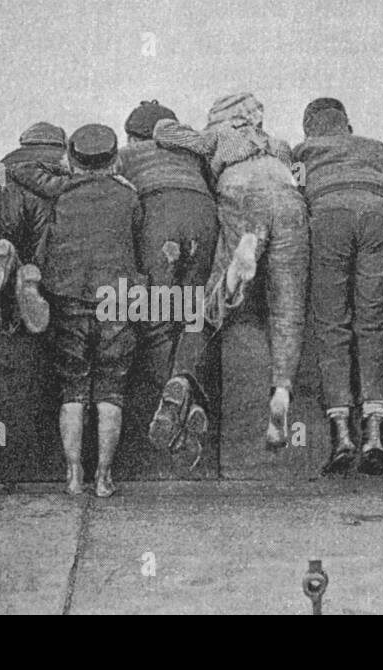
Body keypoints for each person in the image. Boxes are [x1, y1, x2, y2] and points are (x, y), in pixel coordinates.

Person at [153, 92, 310, 450]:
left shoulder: (220, 134)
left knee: (213, 297)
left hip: (240, 189)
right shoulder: (280, 146)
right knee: (288, 306)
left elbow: (165, 132)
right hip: (288, 196)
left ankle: (236, 272)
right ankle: (281, 391)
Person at [6, 124, 143, 497]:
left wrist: (64, 173)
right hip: (117, 300)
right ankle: (104, 477)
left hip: (68, 298)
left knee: (73, 390)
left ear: (72, 158)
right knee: (111, 390)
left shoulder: (61, 190)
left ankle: (72, 475)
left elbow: (19, 169)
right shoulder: (129, 197)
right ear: (114, 159)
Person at [294, 98, 383, 475]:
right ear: (347, 125)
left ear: (310, 126)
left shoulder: (302, 151)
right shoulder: (376, 147)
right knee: (372, 326)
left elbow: (297, 196)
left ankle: (342, 435)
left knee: (331, 327)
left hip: (329, 219)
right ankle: (374, 434)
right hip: (376, 216)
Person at [119, 100, 217, 457]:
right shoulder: (192, 156)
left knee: (157, 317)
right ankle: (187, 394)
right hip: (202, 213)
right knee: (194, 313)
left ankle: (174, 392)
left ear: (131, 136)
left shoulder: (127, 156)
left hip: (157, 214)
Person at [0, 122, 68, 335]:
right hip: (52, 226)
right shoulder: (66, 161)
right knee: (47, 259)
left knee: (1, 247)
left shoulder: (5, 163)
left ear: (25, 140)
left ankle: (10, 260)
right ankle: (32, 278)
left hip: (9, 214)